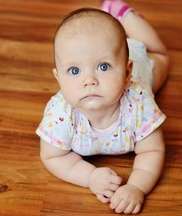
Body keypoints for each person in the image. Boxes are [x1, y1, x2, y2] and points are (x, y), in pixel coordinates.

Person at [36, 0, 169, 214]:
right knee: (112, 44)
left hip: (140, 65)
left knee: (160, 55)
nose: (89, 80)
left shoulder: (139, 104)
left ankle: (125, 16)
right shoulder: (59, 114)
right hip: (118, 54)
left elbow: (152, 150)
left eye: (103, 66)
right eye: (74, 71)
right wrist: (89, 176)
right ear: (58, 78)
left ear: (126, 74)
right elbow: (53, 156)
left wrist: (137, 187)